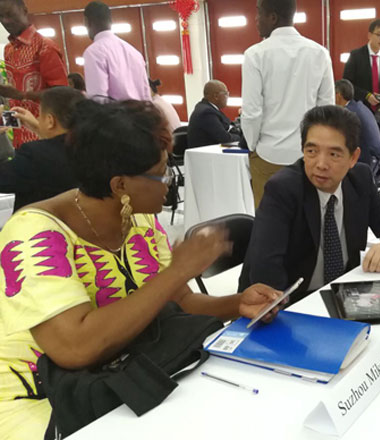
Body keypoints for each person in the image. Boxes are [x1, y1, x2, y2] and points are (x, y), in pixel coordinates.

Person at [0, 99, 282, 440]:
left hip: (121, 370)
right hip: (45, 395)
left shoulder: (137, 217)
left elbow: (180, 302)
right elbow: (74, 347)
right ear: (120, 185)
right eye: (161, 173)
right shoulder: (34, 234)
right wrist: (178, 271)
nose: (170, 181)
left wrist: (238, 304)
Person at [239, 105, 380, 304]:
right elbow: (266, 271)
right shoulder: (283, 189)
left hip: (345, 294)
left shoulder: (359, 178)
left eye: (334, 154)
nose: (321, 164)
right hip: (291, 302)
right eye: (311, 151)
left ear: (353, 157)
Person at [242, 0, 334, 208]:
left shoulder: (254, 55)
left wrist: (253, 146)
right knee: (308, 219)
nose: (255, 19)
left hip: (268, 155)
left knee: (270, 221)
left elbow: (252, 112)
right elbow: (326, 109)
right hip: (309, 157)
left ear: (273, 17)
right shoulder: (319, 53)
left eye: (259, 13)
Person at [0, 86, 83, 211]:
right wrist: (38, 128)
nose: (37, 119)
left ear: (50, 120)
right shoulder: (95, 147)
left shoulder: (34, 155)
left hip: (42, 221)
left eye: (39, 115)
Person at [0, 0, 68, 148]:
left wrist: (22, 95)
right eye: (1, 16)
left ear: (24, 11)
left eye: (10, 15)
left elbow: (62, 95)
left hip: (44, 138)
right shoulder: (8, 50)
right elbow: (15, 103)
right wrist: (5, 122)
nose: (5, 21)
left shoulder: (44, 47)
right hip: (19, 141)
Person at [82, 1, 151, 101]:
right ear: (111, 21)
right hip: (141, 110)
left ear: (86, 22)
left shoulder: (94, 52)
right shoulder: (134, 52)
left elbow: (98, 100)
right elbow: (147, 96)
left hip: (116, 111)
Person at [343, 18, 380, 143]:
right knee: (361, 146)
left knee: (379, 147)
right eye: (379, 35)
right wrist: (366, 95)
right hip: (360, 111)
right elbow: (347, 84)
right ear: (369, 35)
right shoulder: (356, 56)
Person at [335, 79, 380, 172]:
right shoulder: (360, 106)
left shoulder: (347, 114)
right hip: (377, 161)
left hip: (366, 163)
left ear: (338, 95)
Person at [187, 80, 239, 148]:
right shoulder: (206, 113)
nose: (227, 97)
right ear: (216, 96)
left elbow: (227, 125)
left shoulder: (209, 108)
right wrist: (241, 137)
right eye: (226, 94)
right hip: (206, 153)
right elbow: (225, 138)